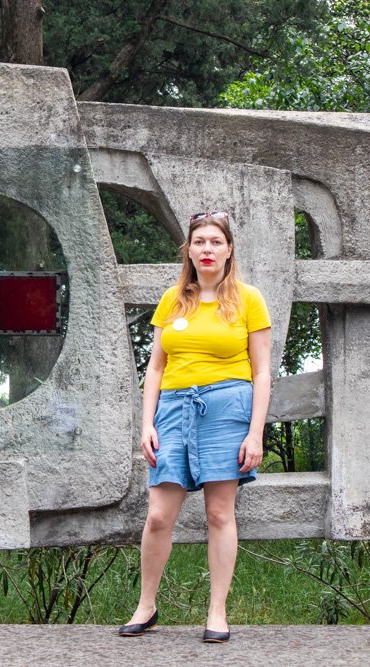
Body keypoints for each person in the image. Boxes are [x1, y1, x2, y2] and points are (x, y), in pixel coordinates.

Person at [118, 210, 272, 643]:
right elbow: (155, 368)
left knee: (219, 512)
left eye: (215, 242)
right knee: (158, 515)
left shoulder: (248, 299)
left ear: (229, 250)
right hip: (172, 410)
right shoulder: (173, 299)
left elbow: (261, 372)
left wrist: (255, 432)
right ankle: (146, 606)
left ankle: (217, 612)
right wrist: (146, 423)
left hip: (228, 410)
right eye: (199, 242)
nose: (207, 249)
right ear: (189, 249)